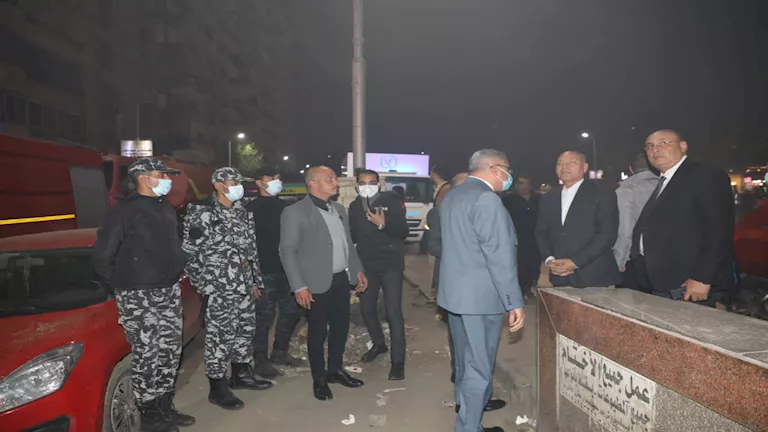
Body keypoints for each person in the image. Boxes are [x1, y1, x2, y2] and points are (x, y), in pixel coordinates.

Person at [93, 157, 195, 432]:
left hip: (168, 291)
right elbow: (102, 257)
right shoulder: (123, 213)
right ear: (143, 178)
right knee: (148, 355)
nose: (168, 180)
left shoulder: (166, 209)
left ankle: (164, 406)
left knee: (169, 352)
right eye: (162, 175)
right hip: (139, 295)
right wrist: (124, 286)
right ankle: (149, 417)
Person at [439, 150, 526, 432]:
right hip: (480, 299)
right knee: (479, 367)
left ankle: (467, 415)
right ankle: (468, 427)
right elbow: (499, 256)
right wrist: (513, 301)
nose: (509, 177)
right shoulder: (486, 199)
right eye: (508, 170)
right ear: (495, 168)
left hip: (455, 297)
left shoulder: (454, 194)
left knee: (464, 363)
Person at [183, 167, 273, 411]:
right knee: (220, 337)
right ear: (218, 185)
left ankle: (241, 374)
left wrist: (254, 281)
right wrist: (204, 284)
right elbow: (190, 254)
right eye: (233, 183)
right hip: (220, 288)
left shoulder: (242, 211)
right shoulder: (203, 214)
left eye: (239, 183)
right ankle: (217, 387)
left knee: (245, 330)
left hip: (243, 284)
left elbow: (250, 250)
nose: (238, 187)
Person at [279, 166, 368, 401]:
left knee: (340, 327)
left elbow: (347, 243)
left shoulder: (338, 209)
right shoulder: (295, 212)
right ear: (313, 183)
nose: (336, 182)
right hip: (313, 283)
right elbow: (287, 250)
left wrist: (357, 270)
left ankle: (335, 370)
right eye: (330, 179)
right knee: (317, 332)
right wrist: (299, 286)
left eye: (335, 178)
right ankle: (319, 379)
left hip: (340, 278)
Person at [632, 129, 735, 306]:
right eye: (649, 146)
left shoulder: (704, 175)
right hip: (663, 281)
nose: (655, 149)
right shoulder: (666, 180)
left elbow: (718, 230)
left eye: (664, 143)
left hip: (689, 284)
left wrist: (703, 278)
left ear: (683, 146)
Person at [348, 169, 409, 380]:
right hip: (367, 264)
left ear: (379, 184)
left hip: (390, 263)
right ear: (356, 185)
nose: (367, 186)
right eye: (363, 183)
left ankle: (398, 362)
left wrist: (383, 224)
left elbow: (403, 232)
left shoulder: (392, 201)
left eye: (372, 182)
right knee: (366, 309)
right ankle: (379, 344)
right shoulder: (355, 206)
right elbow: (353, 236)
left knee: (393, 312)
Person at [245, 168, 306, 379]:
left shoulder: (286, 207)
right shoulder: (249, 209)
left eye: (278, 178)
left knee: (291, 311)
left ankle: (280, 351)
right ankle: (260, 360)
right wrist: (251, 277)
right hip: (263, 271)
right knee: (263, 317)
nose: (276, 181)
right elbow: (245, 246)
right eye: (270, 178)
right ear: (259, 183)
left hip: (287, 270)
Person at [535, 151, 622, 288]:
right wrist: (549, 259)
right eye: (560, 164)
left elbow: (607, 234)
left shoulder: (602, 194)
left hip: (594, 275)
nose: (564, 167)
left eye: (572, 163)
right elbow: (541, 232)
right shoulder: (548, 198)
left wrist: (575, 262)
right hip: (559, 275)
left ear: (585, 167)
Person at [613, 152, 658, 291]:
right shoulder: (667, 185)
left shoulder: (626, 190)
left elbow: (625, 230)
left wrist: (619, 261)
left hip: (637, 260)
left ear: (631, 169)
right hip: (667, 258)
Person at [502, 175, 541, 293]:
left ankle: (531, 286)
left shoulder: (538, 199)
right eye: (521, 183)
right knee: (520, 266)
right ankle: (521, 290)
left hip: (535, 239)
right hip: (517, 239)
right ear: (516, 185)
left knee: (534, 265)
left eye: (527, 183)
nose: (524, 186)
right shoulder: (508, 200)